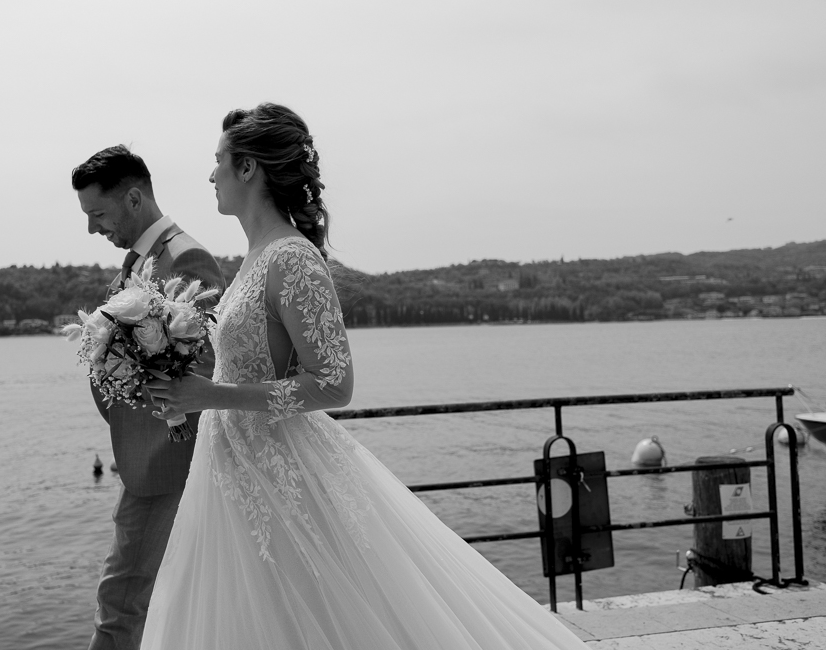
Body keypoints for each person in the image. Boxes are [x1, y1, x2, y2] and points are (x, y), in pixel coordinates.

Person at [142, 104, 588, 649]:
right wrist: (192, 395)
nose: (211, 175)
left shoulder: (292, 259)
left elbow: (334, 383)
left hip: (281, 471)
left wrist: (212, 394)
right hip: (231, 466)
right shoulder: (255, 255)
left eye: (218, 161)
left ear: (249, 168)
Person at [71, 145, 225, 650]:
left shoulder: (185, 259)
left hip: (167, 461)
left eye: (98, 214)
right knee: (145, 601)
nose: (93, 229)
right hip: (145, 457)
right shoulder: (138, 261)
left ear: (134, 198)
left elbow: (207, 367)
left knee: (121, 602)